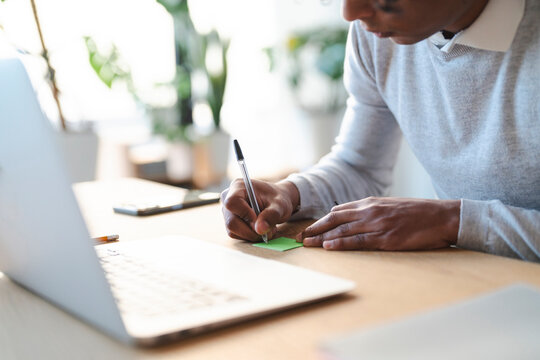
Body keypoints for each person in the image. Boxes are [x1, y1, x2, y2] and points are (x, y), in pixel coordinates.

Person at [221, 0, 540, 262]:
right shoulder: (377, 37)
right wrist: (290, 194)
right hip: (465, 276)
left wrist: (451, 221)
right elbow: (359, 166)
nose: (350, 13)